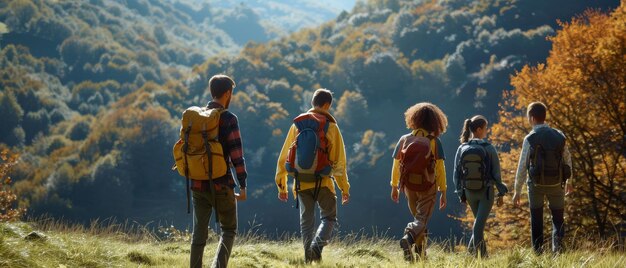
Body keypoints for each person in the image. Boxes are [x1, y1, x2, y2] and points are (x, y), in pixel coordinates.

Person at [275, 88, 350, 263]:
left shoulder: (298, 125)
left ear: (312, 103)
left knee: (306, 223)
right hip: (323, 181)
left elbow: (284, 156)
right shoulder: (331, 126)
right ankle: (317, 247)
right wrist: (344, 188)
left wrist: (281, 185)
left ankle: (308, 259)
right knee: (329, 217)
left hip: (301, 183)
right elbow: (340, 162)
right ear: (327, 105)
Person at [190, 75, 248, 268]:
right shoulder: (229, 118)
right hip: (223, 183)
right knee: (229, 230)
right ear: (227, 93)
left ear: (211, 91)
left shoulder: (197, 118)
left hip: (197, 183)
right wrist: (243, 184)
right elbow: (236, 154)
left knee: (199, 233)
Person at [512, 102, 573, 254]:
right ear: (544, 116)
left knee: (536, 219)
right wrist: (569, 181)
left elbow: (522, 167)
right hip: (557, 184)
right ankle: (558, 253)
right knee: (558, 219)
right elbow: (567, 159)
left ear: (532, 118)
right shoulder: (559, 136)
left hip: (536, 186)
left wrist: (517, 190)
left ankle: (538, 254)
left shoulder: (530, 138)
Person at [390, 102, 448, 262]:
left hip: (408, 186)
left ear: (413, 119)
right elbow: (440, 169)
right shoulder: (434, 142)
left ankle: (420, 255)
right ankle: (408, 239)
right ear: (435, 122)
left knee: (419, 221)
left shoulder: (404, 139)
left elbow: (396, 164)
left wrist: (394, 186)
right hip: (428, 187)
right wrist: (443, 190)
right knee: (421, 221)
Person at [453, 115, 508, 257]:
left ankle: (470, 257)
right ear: (478, 129)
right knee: (478, 227)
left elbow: (456, 174)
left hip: (469, 192)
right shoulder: (489, 148)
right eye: (485, 128)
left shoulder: (462, 148)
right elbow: (496, 174)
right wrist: (501, 193)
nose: (486, 131)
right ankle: (484, 259)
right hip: (486, 192)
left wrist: (461, 193)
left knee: (478, 226)